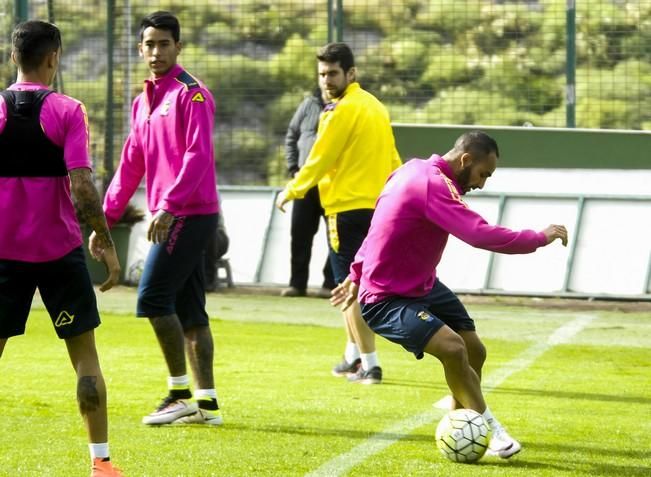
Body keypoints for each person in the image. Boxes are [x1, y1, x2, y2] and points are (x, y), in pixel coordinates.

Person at [331, 131, 569, 458]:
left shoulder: (410, 170)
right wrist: (539, 237)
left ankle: (460, 416)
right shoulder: (434, 185)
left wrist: (355, 273)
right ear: (466, 160)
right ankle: (489, 428)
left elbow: (378, 227)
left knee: (475, 352)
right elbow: (478, 233)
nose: (483, 184)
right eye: (483, 174)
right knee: (454, 348)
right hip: (386, 298)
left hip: (422, 284)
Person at [0, 20, 123, 476]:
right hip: (59, 254)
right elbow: (83, 185)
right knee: (85, 360)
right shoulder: (69, 110)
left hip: (4, 253)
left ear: (14, 57)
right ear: (54, 57)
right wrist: (105, 242)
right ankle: (102, 465)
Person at [91, 11, 222, 426]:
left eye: (165, 43)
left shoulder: (192, 93)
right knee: (190, 309)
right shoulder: (143, 101)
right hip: (174, 213)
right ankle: (207, 405)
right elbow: (131, 164)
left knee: (152, 298)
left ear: (178, 47)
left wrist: (168, 205)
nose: (156, 51)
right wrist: (104, 221)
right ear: (140, 49)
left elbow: (198, 155)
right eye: (149, 44)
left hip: (187, 213)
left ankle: (179, 393)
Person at [276, 43, 402, 384]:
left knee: (349, 290)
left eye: (332, 73)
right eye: (322, 74)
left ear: (351, 73)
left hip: (344, 212)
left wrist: (291, 190)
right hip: (375, 210)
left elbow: (319, 158)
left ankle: (370, 363)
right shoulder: (375, 106)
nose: (326, 80)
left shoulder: (338, 111)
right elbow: (393, 159)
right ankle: (351, 357)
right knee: (359, 284)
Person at [281, 86, 336, 298]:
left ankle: (330, 284)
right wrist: (294, 169)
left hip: (332, 184)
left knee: (336, 236)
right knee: (299, 234)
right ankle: (297, 284)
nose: (327, 81)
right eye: (323, 75)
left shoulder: (346, 107)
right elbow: (291, 136)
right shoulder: (308, 104)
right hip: (305, 184)